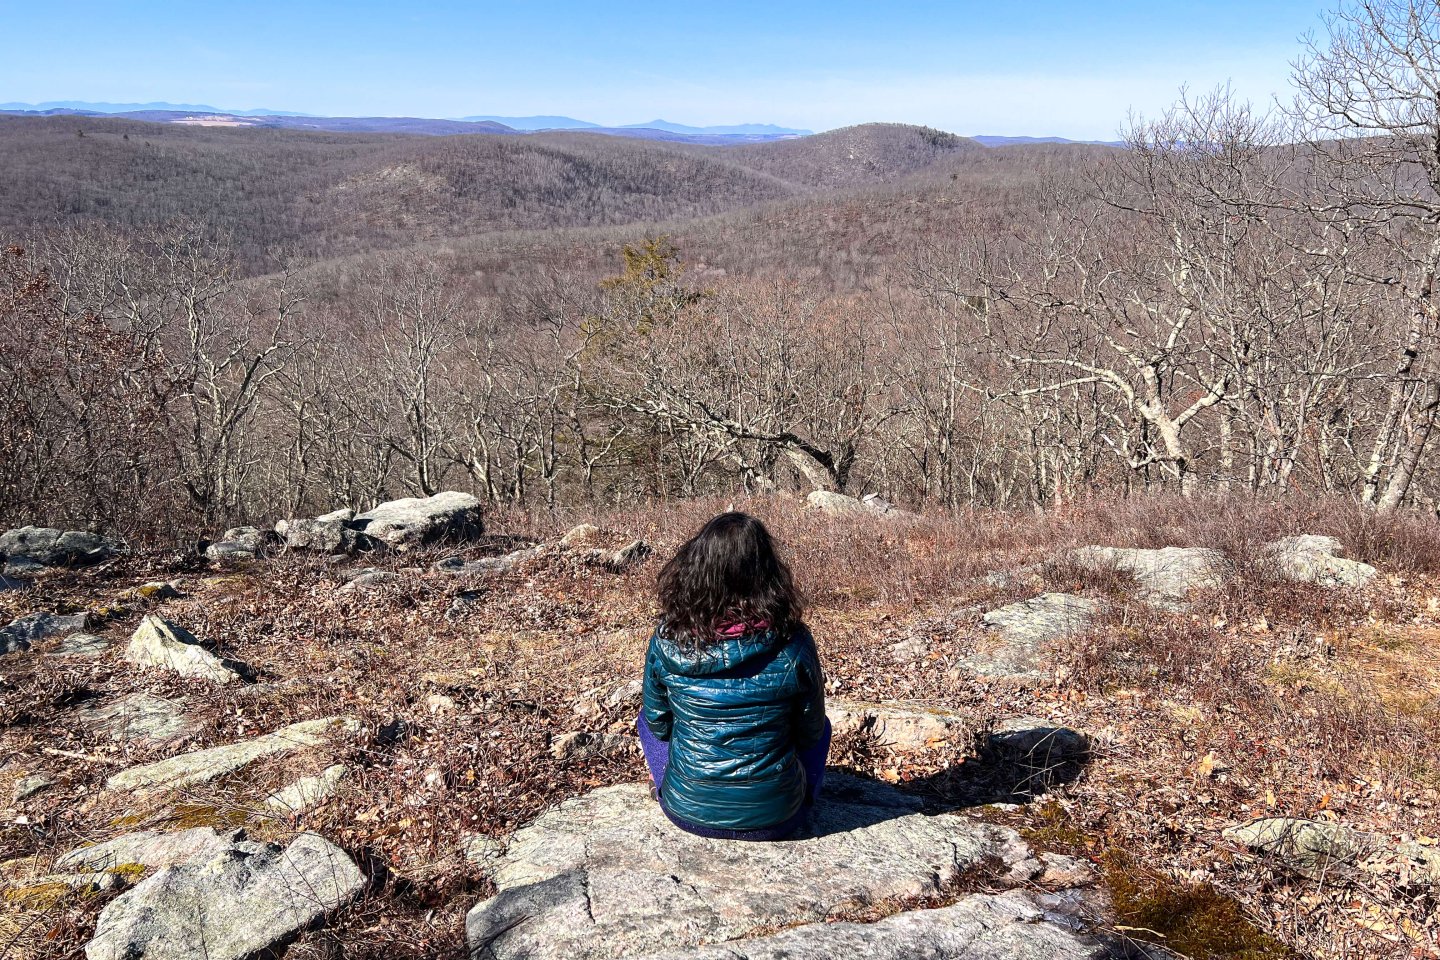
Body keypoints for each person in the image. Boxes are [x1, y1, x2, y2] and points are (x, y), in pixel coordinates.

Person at [637, 511, 830, 841]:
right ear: (768, 572)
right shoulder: (793, 639)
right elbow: (810, 732)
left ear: (695, 566)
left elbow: (658, 724)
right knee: (821, 725)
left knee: (645, 718)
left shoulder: (668, 638)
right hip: (779, 817)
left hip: (686, 813)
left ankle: (673, 787)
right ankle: (803, 796)